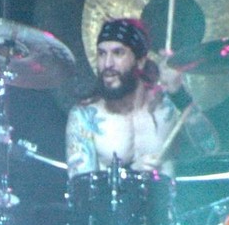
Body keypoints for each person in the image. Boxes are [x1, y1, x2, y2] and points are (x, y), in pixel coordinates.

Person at [64, 17, 186, 177]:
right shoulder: (84, 116)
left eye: (118, 53)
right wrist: (131, 173)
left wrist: (180, 95)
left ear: (140, 61)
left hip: (166, 201)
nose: (107, 64)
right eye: (101, 54)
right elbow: (81, 187)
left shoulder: (167, 107)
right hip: (109, 201)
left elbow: (209, 147)